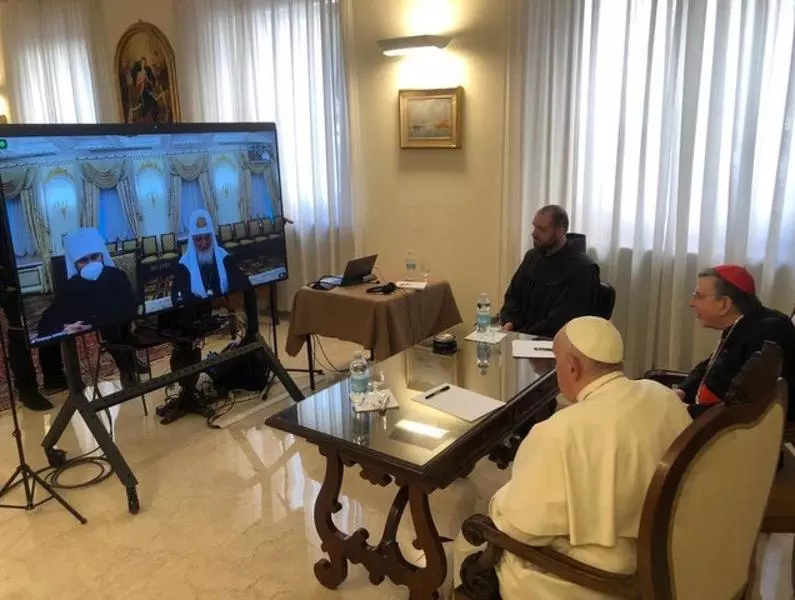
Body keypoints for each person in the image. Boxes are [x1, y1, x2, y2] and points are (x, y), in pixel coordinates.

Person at [454, 316, 691, 599]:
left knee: (467, 544)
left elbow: (520, 528)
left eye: (556, 363)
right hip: (666, 549)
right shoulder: (663, 396)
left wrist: (500, 499)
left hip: (601, 577)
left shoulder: (560, 431)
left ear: (573, 367)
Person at [674, 264, 795, 421]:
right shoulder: (743, 324)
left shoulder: (768, 332)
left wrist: (684, 411)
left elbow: (743, 403)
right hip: (714, 417)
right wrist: (682, 391)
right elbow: (710, 366)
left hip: (733, 427)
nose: (691, 303)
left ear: (724, 304)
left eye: (699, 296)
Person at [37, 228, 140, 385]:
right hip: (82, 318)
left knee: (115, 326)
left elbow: (129, 306)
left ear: (102, 256)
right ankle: (55, 378)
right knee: (48, 326)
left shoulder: (116, 275)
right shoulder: (71, 285)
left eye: (94, 257)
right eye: (83, 260)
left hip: (114, 322)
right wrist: (65, 326)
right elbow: (54, 314)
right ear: (75, 264)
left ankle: (127, 367)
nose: (91, 263)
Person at [499, 205, 600, 337]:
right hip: (521, 336)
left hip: (553, 341)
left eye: (541, 229)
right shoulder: (532, 257)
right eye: (534, 227)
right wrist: (510, 321)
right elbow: (513, 297)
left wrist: (524, 336)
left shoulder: (583, 269)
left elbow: (561, 320)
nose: (533, 233)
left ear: (560, 231)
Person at [170, 209, 251, 305]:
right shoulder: (184, 264)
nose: (204, 243)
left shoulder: (223, 256)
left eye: (207, 237)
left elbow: (243, 282)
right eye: (199, 239)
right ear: (192, 240)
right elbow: (178, 298)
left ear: (212, 237)